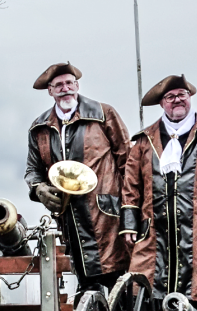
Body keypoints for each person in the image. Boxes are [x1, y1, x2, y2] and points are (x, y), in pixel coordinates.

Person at [121, 75, 197, 311]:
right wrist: (130, 224)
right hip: (153, 230)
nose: (177, 101)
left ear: (190, 98)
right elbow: (130, 185)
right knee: (148, 289)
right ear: (162, 103)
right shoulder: (144, 141)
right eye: (170, 97)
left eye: (181, 95)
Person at [25, 62, 132, 292]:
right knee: (87, 285)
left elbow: (128, 162)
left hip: (108, 217)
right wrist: (39, 189)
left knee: (119, 285)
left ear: (77, 85)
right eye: (59, 85)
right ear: (50, 91)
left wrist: (132, 208)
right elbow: (32, 170)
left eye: (69, 83)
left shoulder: (104, 114)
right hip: (69, 218)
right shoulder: (38, 127)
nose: (65, 88)